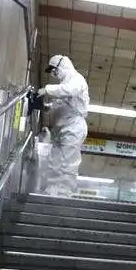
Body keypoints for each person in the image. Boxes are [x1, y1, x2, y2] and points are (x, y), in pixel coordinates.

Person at [38, 55, 89, 197]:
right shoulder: (63, 84)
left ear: (62, 66)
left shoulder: (77, 80)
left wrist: (47, 89)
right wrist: (47, 107)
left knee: (68, 162)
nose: (54, 74)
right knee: (54, 161)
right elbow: (60, 104)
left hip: (74, 126)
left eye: (55, 70)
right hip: (60, 128)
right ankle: (52, 190)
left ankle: (64, 193)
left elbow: (69, 90)